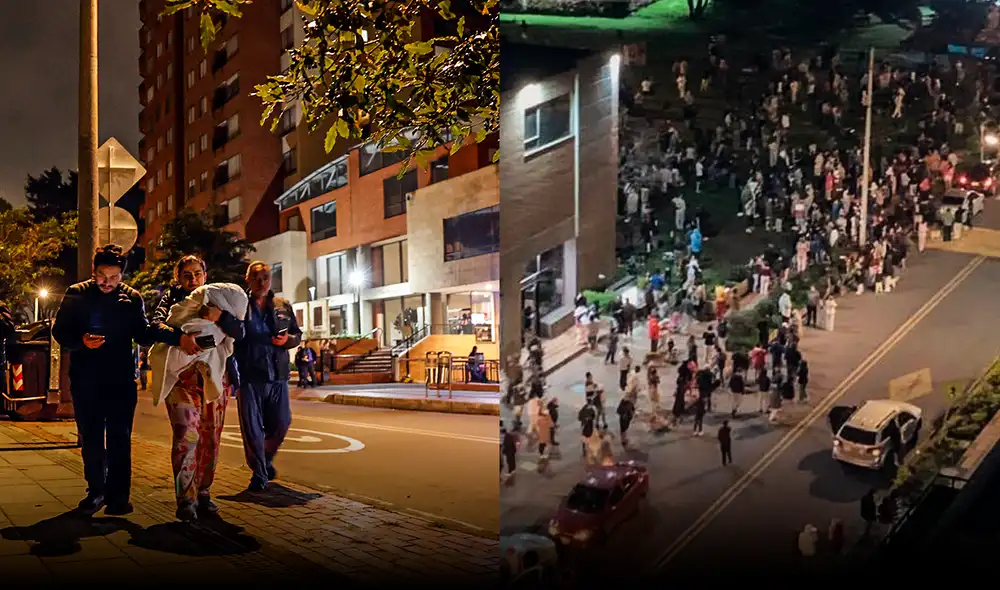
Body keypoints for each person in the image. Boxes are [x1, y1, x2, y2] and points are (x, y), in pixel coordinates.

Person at [52, 245, 155, 516]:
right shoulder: (77, 294)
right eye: (101, 275)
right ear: (93, 272)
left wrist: (162, 328)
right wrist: (81, 341)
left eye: (113, 277)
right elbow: (59, 331)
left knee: (120, 437)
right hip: (86, 378)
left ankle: (119, 496)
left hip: (121, 378)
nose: (107, 282)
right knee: (92, 436)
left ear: (122, 275)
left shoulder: (132, 298)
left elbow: (143, 334)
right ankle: (96, 490)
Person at [148, 255, 246, 521]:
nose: (193, 279)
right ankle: (185, 499)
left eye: (197, 274)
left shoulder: (216, 298)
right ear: (177, 278)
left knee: (211, 439)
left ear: (205, 274)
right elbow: (154, 327)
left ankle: (204, 492)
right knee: (186, 437)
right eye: (186, 275)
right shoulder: (170, 299)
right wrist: (179, 337)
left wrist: (220, 317)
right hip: (182, 380)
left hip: (215, 379)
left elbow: (240, 330)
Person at [234, 261, 302, 492]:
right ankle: (259, 474)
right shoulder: (239, 306)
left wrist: (288, 341)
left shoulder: (282, 305)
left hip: (278, 375)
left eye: (265, 277)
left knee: (282, 422)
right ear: (248, 280)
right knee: (252, 429)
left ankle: (265, 459)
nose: (261, 282)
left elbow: (297, 334)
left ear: (270, 279)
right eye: (256, 277)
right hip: (249, 375)